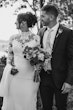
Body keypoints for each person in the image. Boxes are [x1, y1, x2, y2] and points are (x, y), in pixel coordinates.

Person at [0, 12, 41, 110]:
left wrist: (37, 68)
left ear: (23, 23)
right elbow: (10, 55)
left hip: (30, 75)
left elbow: (39, 56)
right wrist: (10, 67)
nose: (15, 23)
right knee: (13, 101)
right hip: (14, 75)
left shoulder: (36, 38)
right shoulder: (13, 38)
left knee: (28, 101)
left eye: (16, 21)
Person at [38, 4, 73, 110]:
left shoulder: (67, 33)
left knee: (61, 107)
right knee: (45, 107)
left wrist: (69, 81)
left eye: (43, 16)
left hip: (61, 79)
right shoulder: (41, 32)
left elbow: (71, 59)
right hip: (44, 77)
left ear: (52, 17)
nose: (41, 19)